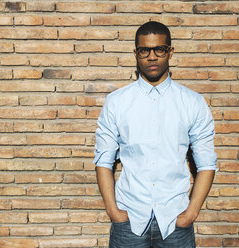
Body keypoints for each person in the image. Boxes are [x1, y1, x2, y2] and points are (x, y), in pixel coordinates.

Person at [93, 21, 218, 247]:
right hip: (129, 220)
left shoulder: (192, 103)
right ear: (136, 53)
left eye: (159, 49)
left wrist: (190, 214)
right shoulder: (116, 103)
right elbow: (104, 160)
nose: (152, 57)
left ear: (170, 51)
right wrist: (113, 211)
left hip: (175, 220)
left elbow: (207, 163)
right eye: (144, 50)